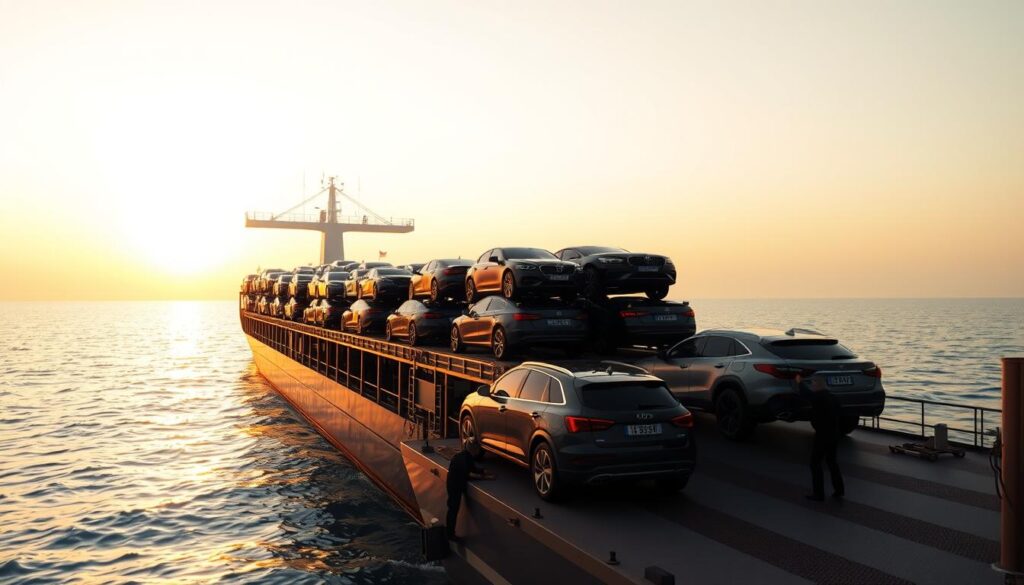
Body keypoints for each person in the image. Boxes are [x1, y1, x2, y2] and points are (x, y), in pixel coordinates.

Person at [799, 374, 845, 501]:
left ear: (818, 385)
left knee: (815, 463)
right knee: (832, 462)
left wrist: (799, 382)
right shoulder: (833, 398)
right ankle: (839, 490)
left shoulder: (818, 397)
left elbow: (806, 394)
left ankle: (818, 494)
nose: (812, 385)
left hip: (822, 435)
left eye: (813, 383)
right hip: (834, 434)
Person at [446, 448, 493, 541]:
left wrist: (483, 471)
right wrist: (486, 477)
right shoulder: (465, 459)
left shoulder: (464, 456)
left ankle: (449, 532)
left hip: (453, 482)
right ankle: (450, 533)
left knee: (452, 509)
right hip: (455, 486)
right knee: (453, 509)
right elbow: (469, 474)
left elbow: (473, 469)